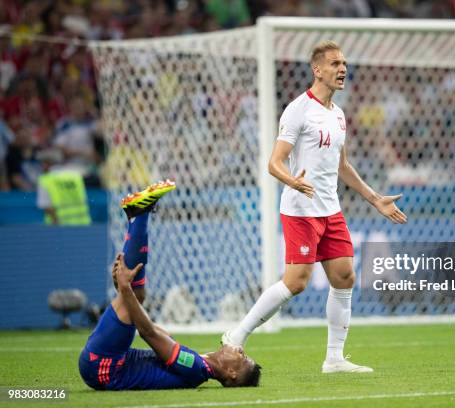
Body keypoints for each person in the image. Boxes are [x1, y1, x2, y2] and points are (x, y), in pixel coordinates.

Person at [223, 40, 407, 373]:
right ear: (317, 69)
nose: (343, 69)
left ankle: (334, 359)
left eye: (345, 64)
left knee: (345, 277)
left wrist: (374, 198)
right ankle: (236, 335)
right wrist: (292, 180)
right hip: (301, 209)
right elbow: (274, 162)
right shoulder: (298, 110)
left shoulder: (338, 115)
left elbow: (343, 165)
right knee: (296, 281)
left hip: (330, 209)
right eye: (336, 63)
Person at [79, 180, 261, 390]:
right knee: (137, 298)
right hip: (109, 363)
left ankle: (139, 215)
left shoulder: (195, 368)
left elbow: (148, 333)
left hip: (104, 369)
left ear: (232, 373)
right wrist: (123, 293)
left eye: (244, 357)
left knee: (136, 296)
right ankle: (137, 217)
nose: (240, 350)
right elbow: (153, 331)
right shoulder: (198, 364)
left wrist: (125, 290)